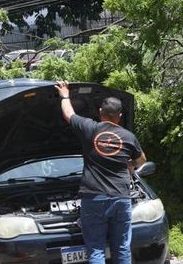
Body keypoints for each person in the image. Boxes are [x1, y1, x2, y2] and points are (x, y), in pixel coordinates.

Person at [54, 80, 146, 264]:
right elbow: (142, 159)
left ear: (100, 113)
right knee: (121, 248)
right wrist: (129, 164)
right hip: (121, 197)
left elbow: (68, 114)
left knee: (96, 249)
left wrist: (65, 94)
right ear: (119, 116)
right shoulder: (128, 137)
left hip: (94, 198)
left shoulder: (91, 128)